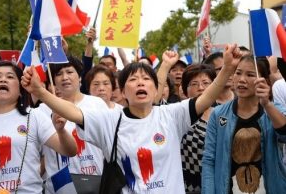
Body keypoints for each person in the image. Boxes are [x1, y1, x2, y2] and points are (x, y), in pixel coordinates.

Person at [21, 45, 241, 193]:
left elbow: (206, 98)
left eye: (146, 79)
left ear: (157, 90)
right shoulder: (110, 121)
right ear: (123, 92)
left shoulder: (172, 115)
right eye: (133, 79)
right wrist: (41, 93)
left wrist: (228, 68)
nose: (140, 83)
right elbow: (73, 112)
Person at [0, 61, 77, 193]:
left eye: (10, 77)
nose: (3, 79)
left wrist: (61, 131)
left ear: (20, 89)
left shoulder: (34, 116)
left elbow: (70, 151)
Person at [202, 55, 286, 193]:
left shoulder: (275, 109)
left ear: (263, 81)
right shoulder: (218, 114)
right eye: (238, 72)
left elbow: (284, 135)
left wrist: (267, 104)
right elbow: (209, 160)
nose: (242, 79)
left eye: (250, 74)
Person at [40, 57, 108, 192]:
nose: (65, 77)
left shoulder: (97, 104)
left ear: (80, 76)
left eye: (70, 72)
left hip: (95, 179)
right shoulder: (43, 109)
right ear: (53, 81)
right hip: (59, 185)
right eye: (59, 74)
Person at [180, 64, 216, 193]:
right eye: (194, 84)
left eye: (206, 83)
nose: (201, 88)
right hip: (188, 186)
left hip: (218, 184)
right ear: (185, 90)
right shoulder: (178, 115)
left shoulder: (224, 114)